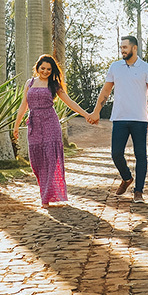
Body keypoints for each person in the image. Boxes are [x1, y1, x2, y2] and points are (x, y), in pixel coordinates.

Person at [13, 54, 94, 208]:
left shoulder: (54, 85)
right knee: (36, 161)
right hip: (34, 124)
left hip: (50, 123)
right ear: (37, 67)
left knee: (51, 158)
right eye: (43, 68)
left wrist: (86, 115)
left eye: (49, 69)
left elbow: (70, 102)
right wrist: (16, 125)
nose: (45, 71)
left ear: (52, 71)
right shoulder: (29, 83)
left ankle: (46, 197)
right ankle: (45, 192)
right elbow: (24, 105)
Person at [90, 35, 148, 203]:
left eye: (125, 47)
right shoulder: (115, 67)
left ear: (134, 48)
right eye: (121, 47)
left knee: (141, 155)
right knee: (116, 154)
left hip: (140, 119)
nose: (122, 50)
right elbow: (106, 91)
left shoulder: (147, 68)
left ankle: (138, 191)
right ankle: (127, 178)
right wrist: (96, 111)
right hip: (119, 117)